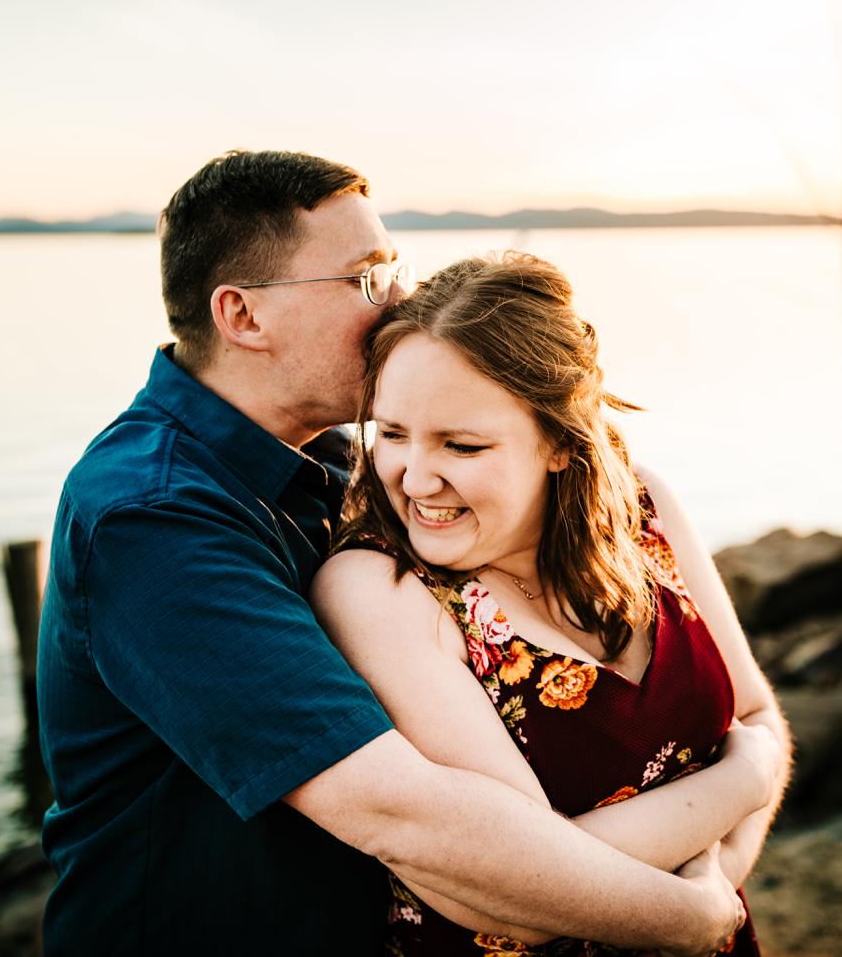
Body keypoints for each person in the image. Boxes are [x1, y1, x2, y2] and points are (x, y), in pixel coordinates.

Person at [35, 150, 769, 955]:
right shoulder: (153, 518)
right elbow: (402, 811)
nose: (401, 303)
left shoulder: (341, 467)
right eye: (369, 279)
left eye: (397, 272)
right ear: (243, 316)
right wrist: (700, 898)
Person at [313, 253, 793, 954]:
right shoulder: (381, 592)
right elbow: (519, 888)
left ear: (561, 440)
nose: (413, 477)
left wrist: (713, 902)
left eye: (463, 445)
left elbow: (756, 714)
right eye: (389, 434)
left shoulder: (645, 508)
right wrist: (743, 781)